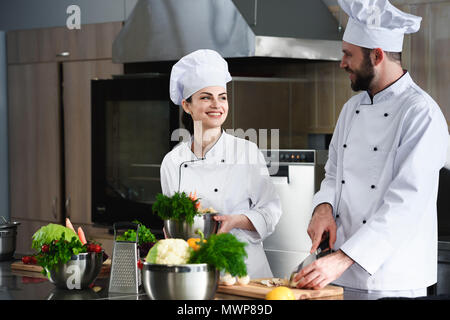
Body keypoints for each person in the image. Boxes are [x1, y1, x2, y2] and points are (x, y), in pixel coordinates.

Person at [293, 0, 449, 298]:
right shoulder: (351, 109)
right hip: (341, 274)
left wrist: (342, 258)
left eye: (348, 55)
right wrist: (323, 207)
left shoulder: (421, 113)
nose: (342, 63)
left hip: (394, 278)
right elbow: (334, 173)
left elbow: (406, 203)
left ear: (376, 56)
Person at [160, 49, 282, 278]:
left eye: (222, 97)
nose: (217, 104)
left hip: (246, 273)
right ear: (187, 105)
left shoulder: (247, 152)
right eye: (206, 97)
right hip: (195, 274)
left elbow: (270, 212)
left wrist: (236, 221)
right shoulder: (172, 162)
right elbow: (172, 222)